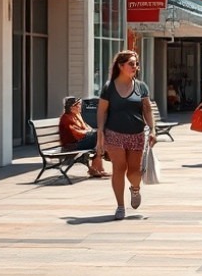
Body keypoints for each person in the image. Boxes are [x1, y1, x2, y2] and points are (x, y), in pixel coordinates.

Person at [96, 50, 156, 220]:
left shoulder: (141, 87)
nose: (134, 67)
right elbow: (102, 111)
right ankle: (120, 206)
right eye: (131, 63)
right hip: (114, 133)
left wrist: (152, 129)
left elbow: (147, 109)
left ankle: (135, 188)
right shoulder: (109, 88)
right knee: (118, 168)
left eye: (136, 64)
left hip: (136, 134)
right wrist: (100, 132)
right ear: (121, 66)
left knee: (134, 171)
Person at [59, 96, 108, 178]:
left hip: (80, 141)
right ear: (72, 107)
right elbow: (76, 134)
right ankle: (97, 167)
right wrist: (89, 133)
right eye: (78, 105)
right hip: (72, 145)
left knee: (100, 136)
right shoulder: (66, 118)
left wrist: (90, 132)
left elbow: (86, 128)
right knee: (100, 135)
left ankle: (96, 166)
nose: (80, 106)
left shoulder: (77, 115)